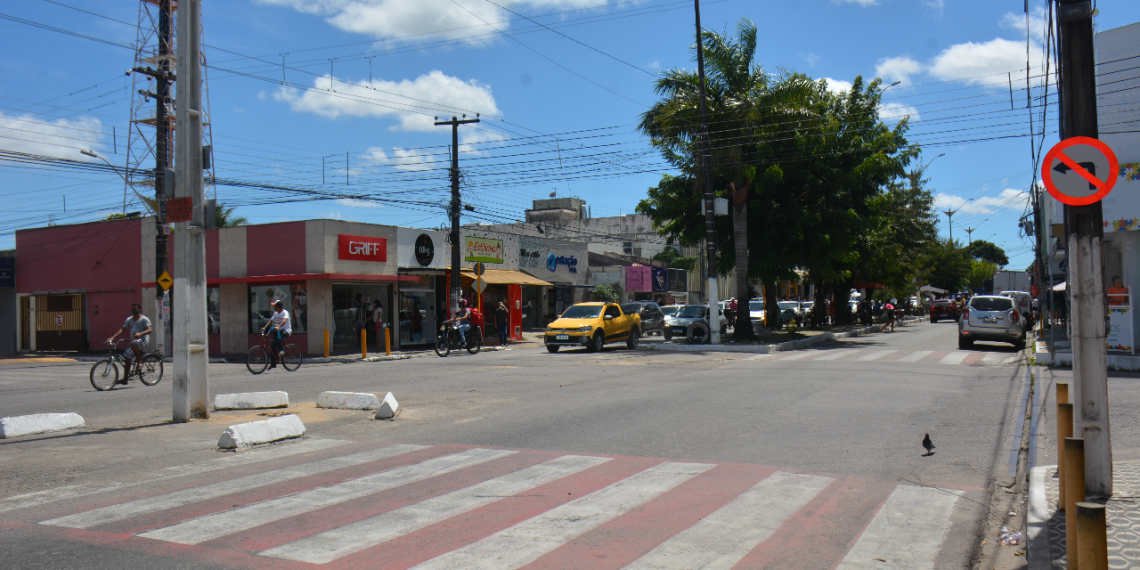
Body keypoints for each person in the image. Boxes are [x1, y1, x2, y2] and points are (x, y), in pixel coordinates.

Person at [106, 303, 152, 384]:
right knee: (127, 356)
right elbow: (122, 330)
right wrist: (113, 337)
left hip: (143, 340)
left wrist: (140, 334)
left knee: (134, 344)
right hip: (134, 341)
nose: (133, 311)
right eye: (132, 309)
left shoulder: (144, 319)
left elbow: (150, 330)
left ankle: (139, 361)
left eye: (135, 309)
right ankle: (125, 379)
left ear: (139, 310)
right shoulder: (129, 319)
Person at [260, 300, 291, 369]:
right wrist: (264, 327)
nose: (274, 307)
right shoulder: (276, 313)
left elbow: (284, 320)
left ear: (279, 306)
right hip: (278, 331)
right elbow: (271, 321)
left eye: (275, 306)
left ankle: (281, 350)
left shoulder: (285, 312)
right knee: (272, 346)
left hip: (286, 331)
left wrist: (278, 327)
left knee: (279, 333)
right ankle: (273, 363)